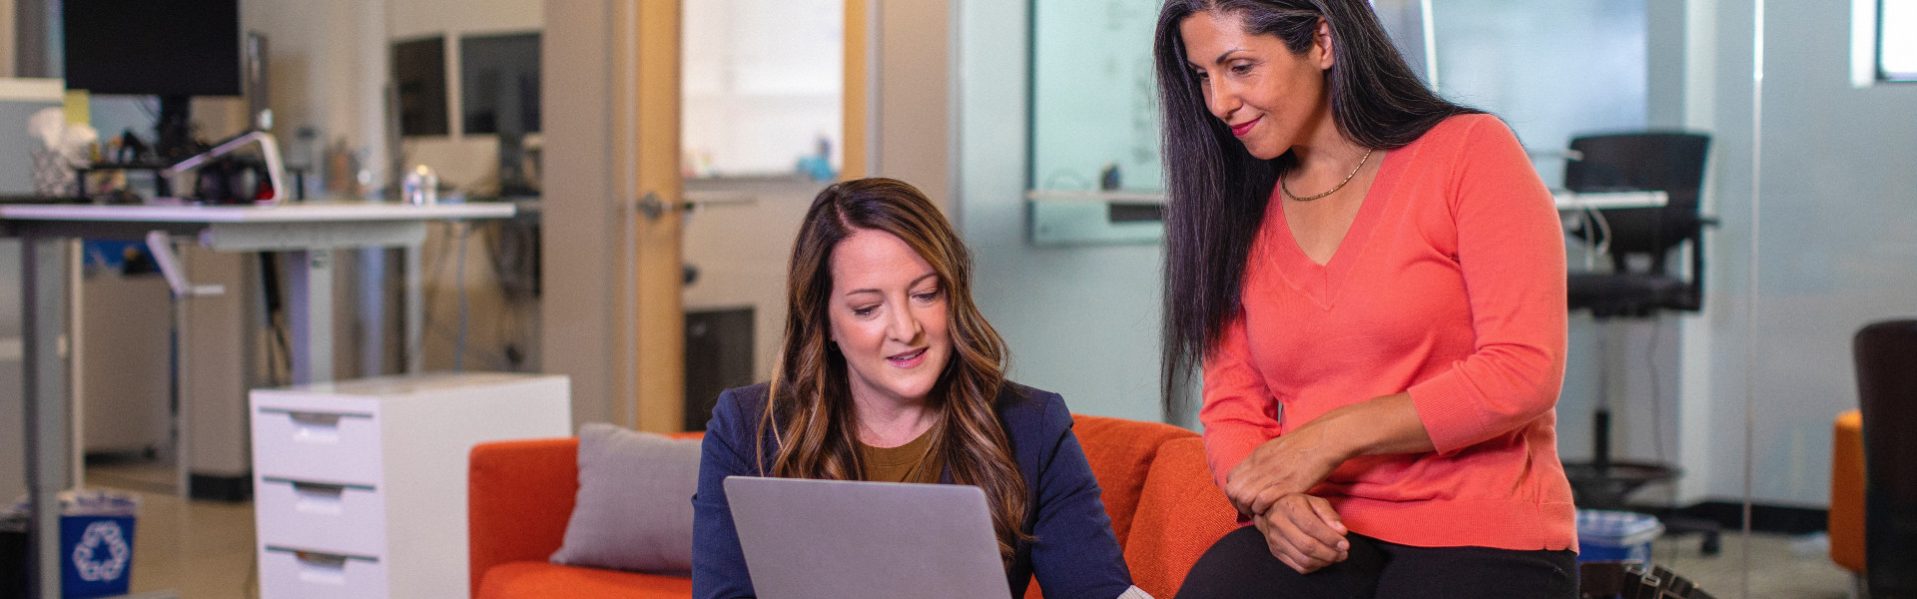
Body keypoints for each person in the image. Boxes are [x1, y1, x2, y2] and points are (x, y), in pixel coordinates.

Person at [1151, 1, 1578, 597]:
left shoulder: (1469, 152)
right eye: (1203, 76)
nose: (1220, 101)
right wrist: (1273, 504)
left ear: (1322, 42)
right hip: (1323, 525)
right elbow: (1233, 411)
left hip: (1480, 523)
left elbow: (1522, 370)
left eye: (1240, 67)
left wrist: (1326, 438)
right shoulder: (1240, 208)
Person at [692, 177, 1148, 599]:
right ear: (825, 322)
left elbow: (1097, 592)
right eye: (868, 308)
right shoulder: (747, 425)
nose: (906, 329)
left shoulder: (1033, 427)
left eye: (925, 294)